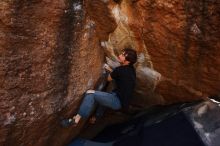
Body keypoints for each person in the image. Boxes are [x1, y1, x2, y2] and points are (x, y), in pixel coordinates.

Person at [61, 48, 137, 127]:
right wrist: (112, 71)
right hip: (123, 101)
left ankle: (75, 120)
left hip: (117, 101)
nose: (120, 56)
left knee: (90, 94)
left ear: (127, 61)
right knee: (104, 97)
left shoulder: (120, 70)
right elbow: (120, 76)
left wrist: (111, 71)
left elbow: (109, 78)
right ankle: (96, 117)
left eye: (123, 55)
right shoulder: (132, 70)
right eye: (122, 53)